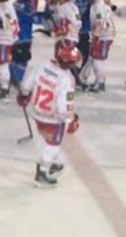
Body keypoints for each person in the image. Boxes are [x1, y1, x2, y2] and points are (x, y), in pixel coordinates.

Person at [18, 43, 81, 187]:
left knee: (45, 140)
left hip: (36, 112)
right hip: (52, 118)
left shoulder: (43, 65)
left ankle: (50, 163)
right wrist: (71, 120)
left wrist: (24, 95)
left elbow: (27, 84)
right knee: (53, 145)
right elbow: (64, 107)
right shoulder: (67, 79)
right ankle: (42, 173)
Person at [84, 0, 115, 93]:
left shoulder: (98, 6)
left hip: (104, 36)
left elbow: (99, 23)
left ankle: (101, 83)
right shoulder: (96, 5)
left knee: (98, 60)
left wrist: (96, 36)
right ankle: (98, 80)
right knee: (96, 59)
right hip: (102, 35)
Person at [11, 0, 36, 87]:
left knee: (14, 58)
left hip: (13, 38)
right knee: (23, 59)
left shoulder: (14, 4)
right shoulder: (29, 6)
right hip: (24, 38)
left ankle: (10, 76)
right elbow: (33, 18)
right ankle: (17, 79)